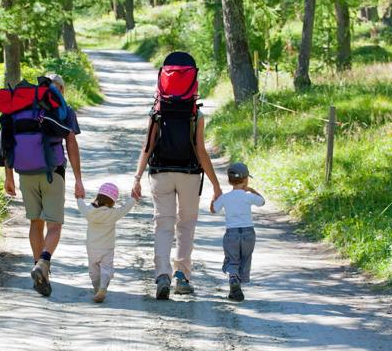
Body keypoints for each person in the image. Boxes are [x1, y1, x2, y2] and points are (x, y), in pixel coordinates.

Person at [131, 51, 222, 300]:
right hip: (190, 174)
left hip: (160, 173)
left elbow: (147, 147)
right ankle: (181, 276)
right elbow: (201, 151)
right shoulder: (195, 114)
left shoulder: (157, 111)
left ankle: (162, 275)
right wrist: (216, 185)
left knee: (163, 224)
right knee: (186, 225)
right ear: (194, 81)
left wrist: (137, 177)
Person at [3, 74, 85, 297]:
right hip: (53, 172)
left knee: (35, 222)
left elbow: (7, 140)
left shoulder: (22, 107)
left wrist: (8, 176)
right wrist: (78, 179)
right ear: (61, 91)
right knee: (55, 225)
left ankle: (40, 271)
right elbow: (71, 142)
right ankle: (43, 263)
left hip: (25, 173)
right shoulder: (63, 109)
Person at [211, 162, 265, 302]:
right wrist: (251, 190)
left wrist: (215, 197)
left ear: (229, 181)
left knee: (232, 260)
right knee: (245, 259)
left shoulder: (225, 198)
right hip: (248, 233)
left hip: (232, 234)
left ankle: (233, 279)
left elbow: (214, 209)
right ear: (246, 179)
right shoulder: (248, 196)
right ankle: (237, 287)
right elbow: (262, 202)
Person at [77, 182, 136, 303]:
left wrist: (79, 197)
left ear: (98, 197)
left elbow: (81, 206)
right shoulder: (113, 214)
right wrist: (133, 198)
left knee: (93, 271)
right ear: (112, 201)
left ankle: (96, 288)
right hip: (107, 248)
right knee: (106, 268)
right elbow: (125, 208)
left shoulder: (90, 212)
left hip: (92, 248)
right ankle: (103, 286)